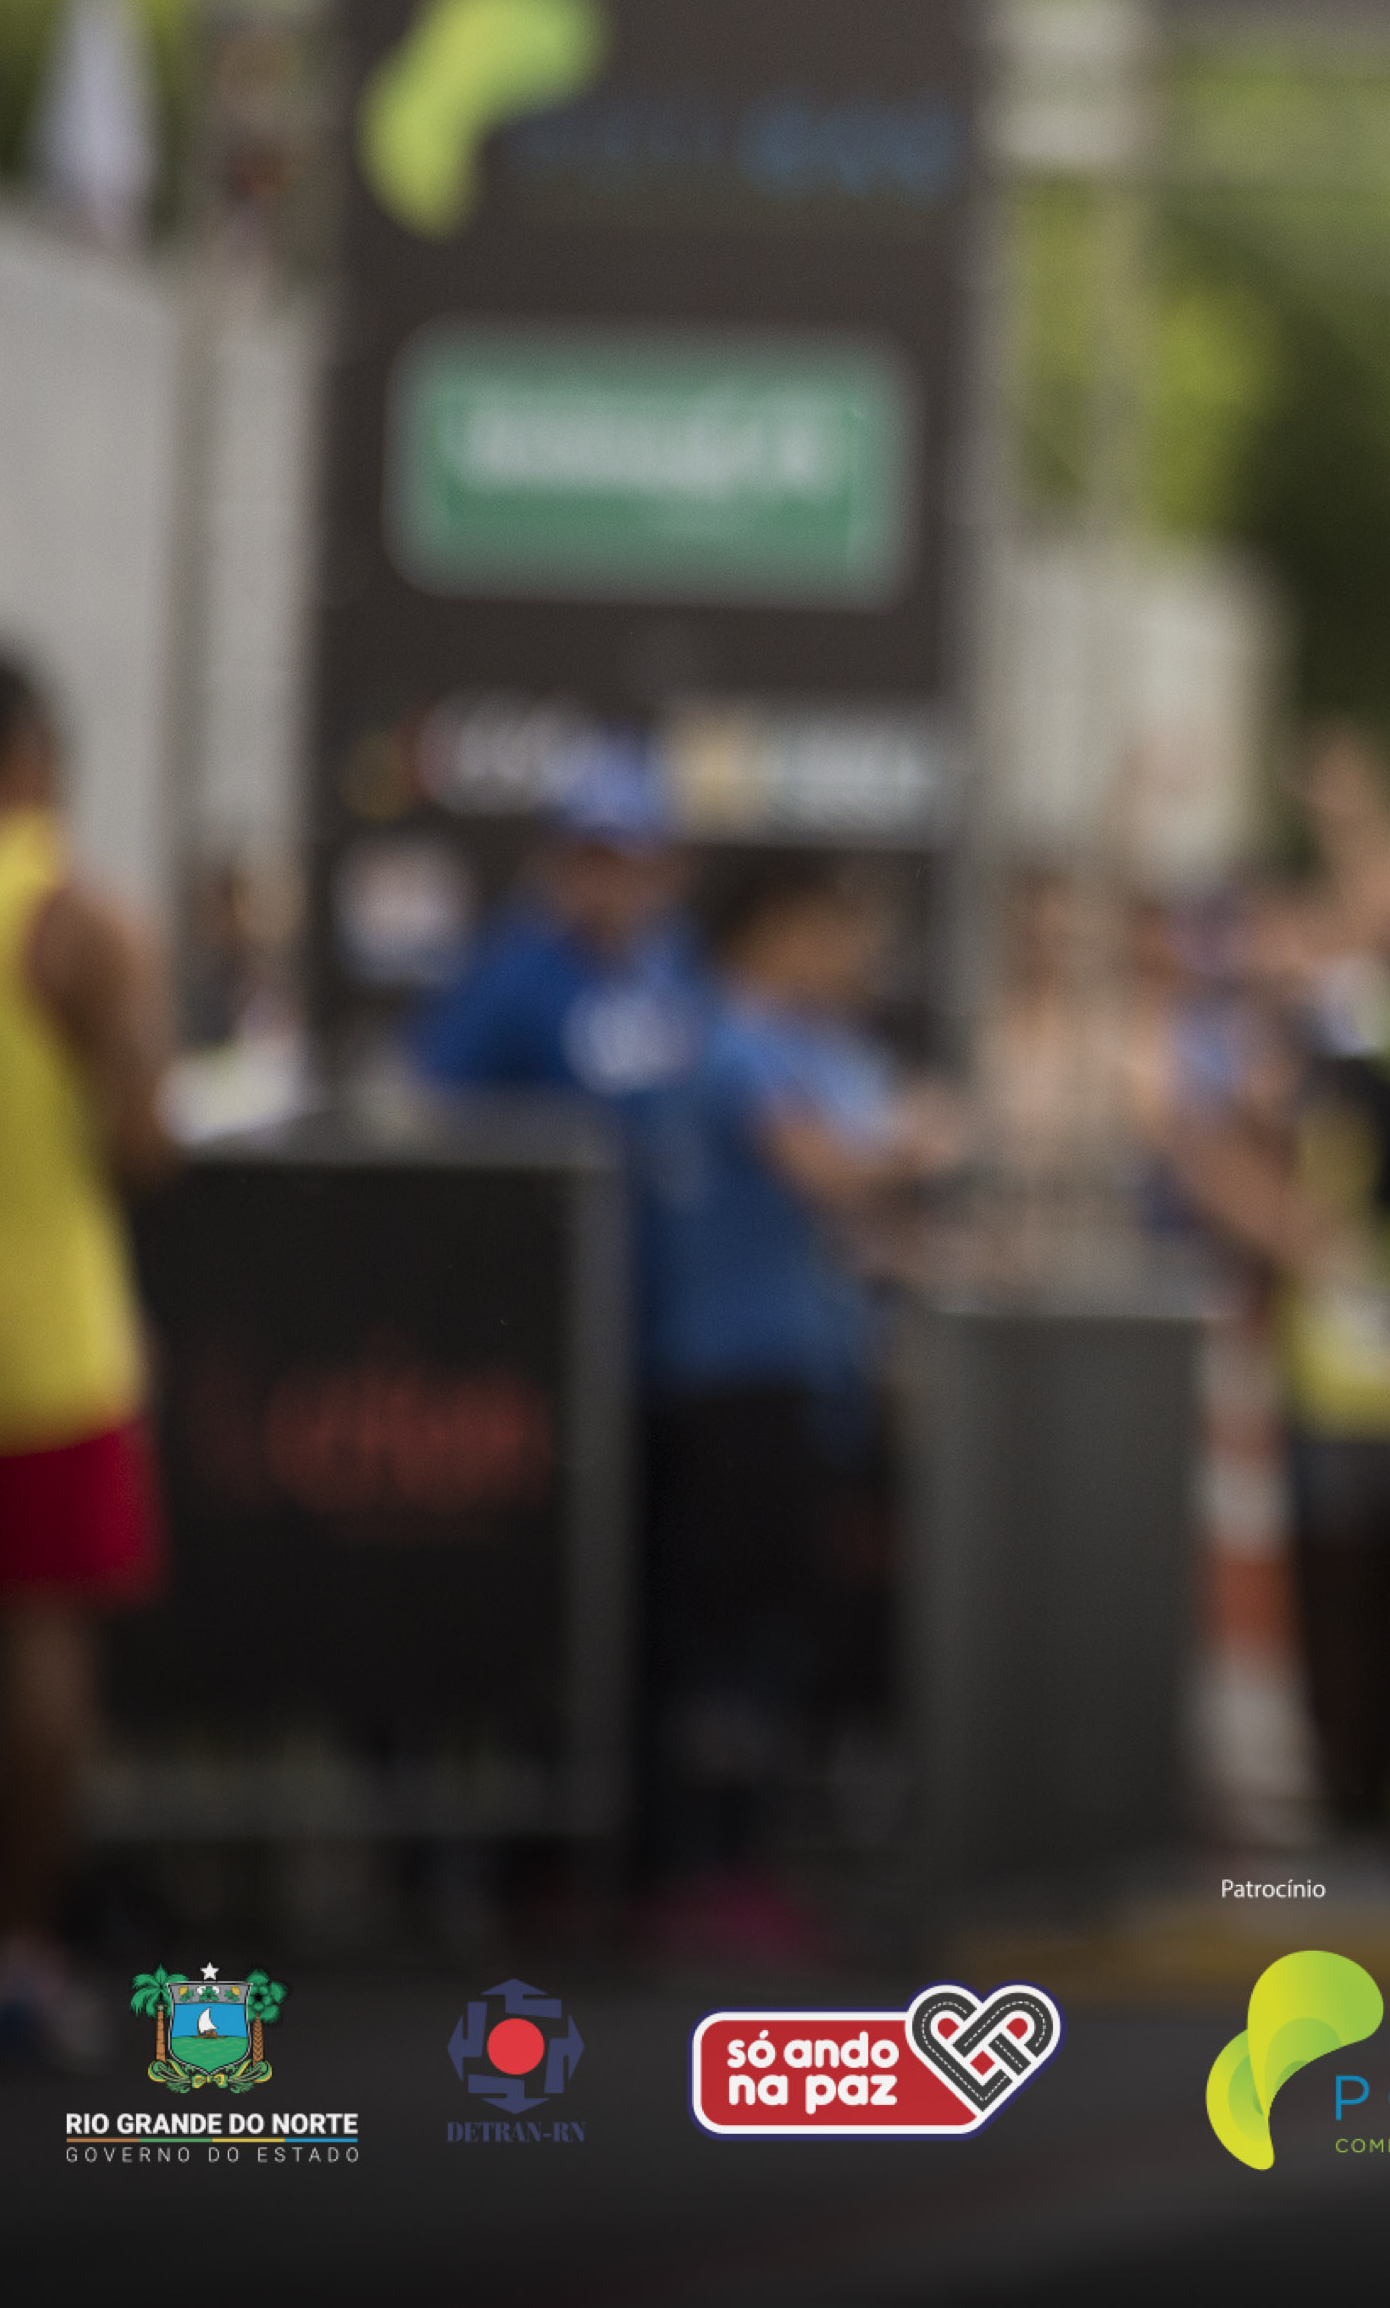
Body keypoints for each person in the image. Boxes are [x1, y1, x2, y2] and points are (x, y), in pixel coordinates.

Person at [625, 852, 950, 1928]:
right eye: (833, 928)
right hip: (735, 1384)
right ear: (775, 930)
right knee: (735, 1632)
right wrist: (922, 1141)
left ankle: (737, 1860)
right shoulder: (738, 1045)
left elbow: (851, 1212)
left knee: (777, 1624)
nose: (852, 954)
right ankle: (707, 1871)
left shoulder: (790, 1046)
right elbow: (827, 1172)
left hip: (793, 1379)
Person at [0, 647, 175, 2064]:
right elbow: (144, 1141)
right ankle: (17, 1950)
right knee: (44, 1642)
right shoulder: (75, 916)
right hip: (41, 1341)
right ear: (33, 754)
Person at [402, 740, 702, 1108]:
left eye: (627, 860)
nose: (609, 882)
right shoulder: (509, 974)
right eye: (591, 859)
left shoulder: (674, 954)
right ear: (556, 861)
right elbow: (436, 1094)